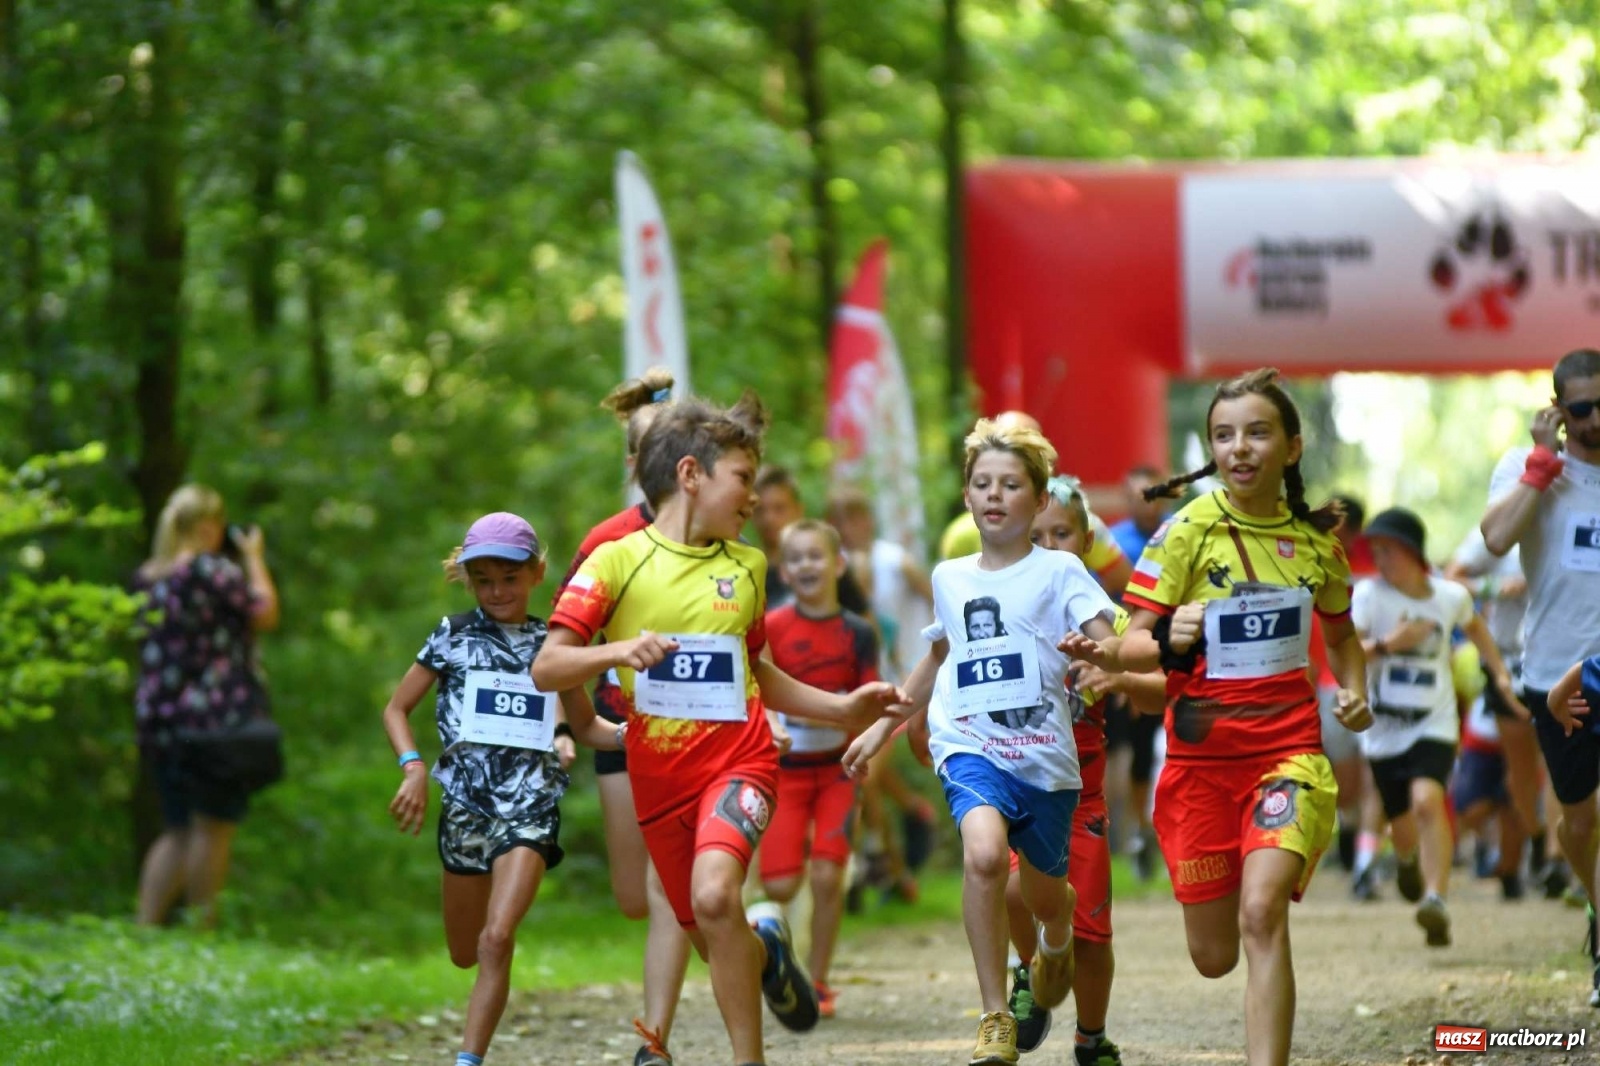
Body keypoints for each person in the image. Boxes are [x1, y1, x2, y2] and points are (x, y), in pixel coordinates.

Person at [534, 390, 906, 1066]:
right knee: (714, 931)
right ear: (690, 475)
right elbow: (548, 665)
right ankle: (765, 944)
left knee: (713, 893)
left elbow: (755, 670)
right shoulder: (614, 561)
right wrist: (616, 653)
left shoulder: (749, 566)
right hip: (658, 778)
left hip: (740, 761)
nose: (754, 499)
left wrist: (841, 707)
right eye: (742, 479)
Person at [1065, 367, 1373, 1066]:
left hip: (1288, 756)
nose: (1240, 448)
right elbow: (1130, 638)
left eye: (1258, 432)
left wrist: (1354, 693)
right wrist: (1172, 629)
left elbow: (1345, 640)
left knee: (1263, 912)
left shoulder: (1317, 543)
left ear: (1291, 448)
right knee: (1212, 956)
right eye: (1224, 435)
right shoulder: (1186, 531)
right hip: (1199, 766)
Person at [846, 420, 1124, 1066]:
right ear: (968, 499)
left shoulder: (1060, 570)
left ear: (1037, 500)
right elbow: (938, 658)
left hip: (1047, 761)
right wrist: (883, 724)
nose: (995, 495)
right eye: (982, 484)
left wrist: (1098, 651)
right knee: (983, 858)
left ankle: (1056, 933)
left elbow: (1109, 634)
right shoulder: (950, 577)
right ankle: (995, 1013)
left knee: (1048, 895)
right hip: (969, 745)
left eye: (1011, 484)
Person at [381, 512, 616, 1066]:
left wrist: (641, 735)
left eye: (509, 578)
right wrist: (413, 766)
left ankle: (469, 1060)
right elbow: (396, 708)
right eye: (483, 580)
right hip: (465, 810)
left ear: (537, 573)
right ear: (467, 580)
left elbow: (585, 727)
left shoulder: (553, 646)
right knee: (466, 953)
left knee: (496, 939)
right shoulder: (452, 636)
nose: (497, 591)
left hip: (530, 807)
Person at [999, 475, 1167, 1064]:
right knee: (1013, 885)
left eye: (1060, 533)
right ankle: (1030, 970)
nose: (1047, 545)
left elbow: (1158, 691)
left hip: (1082, 804)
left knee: (1094, 940)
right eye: (1034, 534)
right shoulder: (998, 610)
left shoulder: (1100, 617)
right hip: (1016, 790)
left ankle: (1091, 1037)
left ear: (1086, 539)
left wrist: (1117, 675)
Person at [552, 367, 692, 1066]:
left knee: (679, 894)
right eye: (646, 451)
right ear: (636, 463)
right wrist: (564, 725)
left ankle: (654, 1042)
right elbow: (561, 647)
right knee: (636, 898)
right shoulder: (605, 542)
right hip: (620, 732)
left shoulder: (718, 534)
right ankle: (757, 937)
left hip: (703, 739)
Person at [1479, 347, 1600, 1006]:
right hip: (1557, 674)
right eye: (1582, 408)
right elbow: (1495, 540)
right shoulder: (1531, 472)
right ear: (1557, 410)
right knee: (1578, 824)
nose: (1596, 420)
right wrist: (1539, 464)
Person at [1351, 507, 1527, 947]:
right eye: (1376, 552)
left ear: (1412, 553)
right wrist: (1393, 644)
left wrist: (1500, 675)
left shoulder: (1448, 597)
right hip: (1383, 728)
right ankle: (1406, 858)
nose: (1381, 560)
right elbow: (1349, 653)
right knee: (1402, 820)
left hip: (1435, 720)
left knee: (1429, 799)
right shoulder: (1369, 596)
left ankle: (1436, 899)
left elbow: (1477, 628)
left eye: (1388, 551)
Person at [134, 484, 281, 929]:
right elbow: (265, 612)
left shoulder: (150, 576)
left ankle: (145, 926)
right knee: (213, 825)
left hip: (160, 718)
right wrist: (253, 556)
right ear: (206, 526)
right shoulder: (210, 570)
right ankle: (203, 930)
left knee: (178, 826)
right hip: (216, 717)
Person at [759, 518, 879, 1018]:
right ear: (784, 572)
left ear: (838, 564)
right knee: (780, 886)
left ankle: (821, 980)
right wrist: (768, 726)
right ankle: (773, 953)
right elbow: (755, 688)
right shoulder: (770, 627)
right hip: (785, 771)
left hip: (836, 771)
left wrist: (868, 745)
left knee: (830, 877)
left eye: (816, 556)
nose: (807, 565)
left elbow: (874, 698)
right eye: (796, 558)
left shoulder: (858, 632)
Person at [1445, 527, 1562, 898]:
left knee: (1562, 761)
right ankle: (1539, 839)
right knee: (1521, 773)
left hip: (1567, 659)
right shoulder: (1500, 528)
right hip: (1511, 665)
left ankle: (1557, 858)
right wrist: (1496, 589)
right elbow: (1453, 579)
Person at [938, 412, 1132, 596]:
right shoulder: (961, 536)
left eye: (1027, 450)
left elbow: (1124, 584)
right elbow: (951, 601)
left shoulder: (1082, 523)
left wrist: (1081, 611)